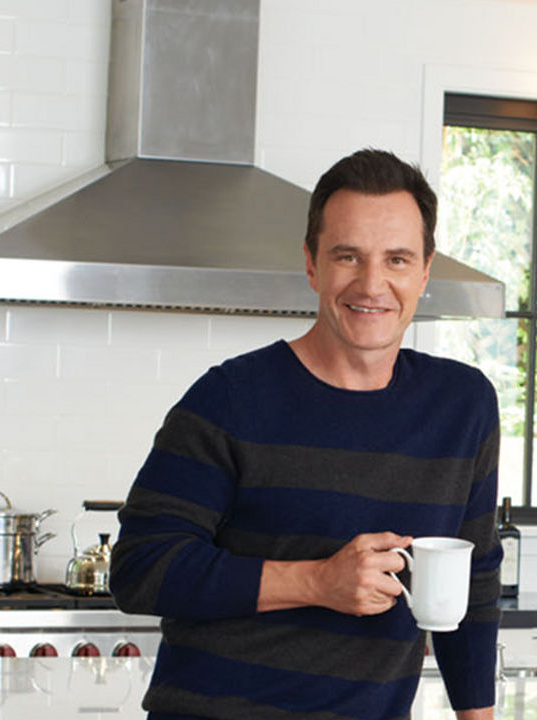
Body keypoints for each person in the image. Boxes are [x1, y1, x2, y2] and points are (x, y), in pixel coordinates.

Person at [111, 148, 501, 720]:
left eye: (396, 259)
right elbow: (140, 569)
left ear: (424, 272)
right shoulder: (230, 398)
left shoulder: (463, 405)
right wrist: (318, 581)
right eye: (348, 256)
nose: (372, 284)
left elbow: (476, 579)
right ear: (313, 265)